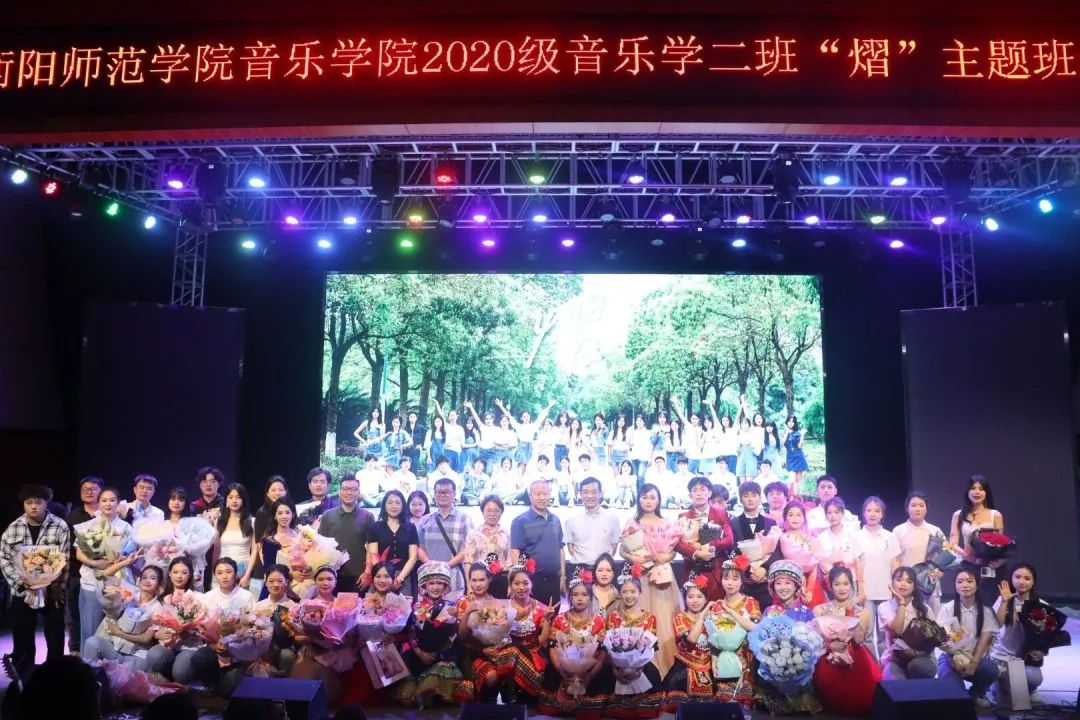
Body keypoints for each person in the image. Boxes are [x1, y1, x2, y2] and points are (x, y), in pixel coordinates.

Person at [0, 484, 71, 679]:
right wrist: (20, 582)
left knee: (55, 636)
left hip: (51, 591)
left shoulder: (59, 526)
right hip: (23, 591)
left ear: (46, 503)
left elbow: (64, 559)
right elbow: (4, 558)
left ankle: (54, 676)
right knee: (22, 636)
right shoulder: (13, 528)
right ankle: (23, 677)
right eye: (29, 502)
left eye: (38, 502)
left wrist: (57, 588)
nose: (33, 506)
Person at [617, 483, 682, 675]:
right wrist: (634, 558)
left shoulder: (667, 522)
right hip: (641, 577)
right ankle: (641, 666)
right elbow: (622, 550)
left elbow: (673, 551)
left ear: (659, 500)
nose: (648, 501)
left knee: (665, 618)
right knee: (640, 615)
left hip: (662, 578)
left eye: (653, 497)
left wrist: (665, 557)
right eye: (644, 497)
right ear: (638, 499)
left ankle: (667, 666)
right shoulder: (632, 522)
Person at [396, 561, 472, 708]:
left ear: (445, 586)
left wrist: (457, 619)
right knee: (407, 699)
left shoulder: (452, 607)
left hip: (444, 657)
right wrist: (420, 653)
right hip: (419, 657)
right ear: (424, 585)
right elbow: (411, 633)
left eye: (439, 583)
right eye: (431, 583)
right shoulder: (417, 607)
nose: (435, 587)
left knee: (441, 690)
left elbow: (455, 637)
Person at [538, 573, 611, 719]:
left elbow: (602, 653)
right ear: (569, 597)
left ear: (590, 598)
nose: (580, 598)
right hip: (563, 669)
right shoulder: (559, 619)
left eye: (584, 594)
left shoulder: (599, 621)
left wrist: (590, 675)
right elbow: (553, 649)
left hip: (590, 670)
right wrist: (563, 672)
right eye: (575, 594)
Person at [811, 565, 881, 716]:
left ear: (851, 585)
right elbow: (815, 640)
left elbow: (858, 639)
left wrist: (850, 612)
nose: (842, 588)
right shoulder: (819, 610)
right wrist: (830, 646)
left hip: (854, 656)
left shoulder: (863, 612)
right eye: (837, 584)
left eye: (846, 583)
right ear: (830, 587)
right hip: (828, 654)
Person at [74, 486, 133, 651]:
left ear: (118, 503)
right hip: (91, 582)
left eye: (112, 500)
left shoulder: (126, 527)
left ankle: (112, 664)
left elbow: (130, 554)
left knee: (116, 630)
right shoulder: (87, 526)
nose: (108, 504)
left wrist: (119, 561)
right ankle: (88, 664)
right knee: (90, 628)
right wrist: (96, 563)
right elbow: (79, 554)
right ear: (98, 503)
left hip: (117, 584)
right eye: (104, 500)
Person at [489, 563, 557, 704]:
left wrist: (546, 619)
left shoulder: (541, 608)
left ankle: (515, 694)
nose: (521, 587)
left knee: (515, 651)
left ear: (532, 584)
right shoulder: (502, 607)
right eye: (516, 583)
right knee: (511, 651)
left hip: (532, 656)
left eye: (525, 583)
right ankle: (511, 694)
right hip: (506, 657)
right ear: (510, 585)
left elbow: (543, 643)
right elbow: (493, 636)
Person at [758, 560, 820, 714]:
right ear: (772, 586)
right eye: (778, 583)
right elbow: (761, 639)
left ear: (796, 586)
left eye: (788, 583)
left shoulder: (806, 612)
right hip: (772, 669)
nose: (783, 587)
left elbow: (814, 644)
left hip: (799, 670)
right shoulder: (768, 611)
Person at [189, 557, 256, 696]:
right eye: (219, 573)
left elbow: (252, 625)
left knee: (227, 691)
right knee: (199, 658)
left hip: (239, 648)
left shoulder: (247, 596)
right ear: (215, 575)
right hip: (214, 645)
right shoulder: (208, 596)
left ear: (236, 574)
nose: (224, 576)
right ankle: (211, 683)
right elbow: (202, 626)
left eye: (228, 572)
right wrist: (214, 644)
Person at [81, 558, 163, 670]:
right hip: (113, 647)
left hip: (135, 654)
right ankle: (88, 678)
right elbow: (105, 575)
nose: (147, 581)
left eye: (153, 578)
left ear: (159, 584)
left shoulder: (157, 607)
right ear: (139, 580)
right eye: (144, 577)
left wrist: (119, 633)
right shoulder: (130, 591)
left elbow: (146, 638)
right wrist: (125, 563)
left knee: (126, 671)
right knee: (92, 643)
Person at [604, 569, 664, 720]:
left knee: (652, 676)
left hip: (642, 667)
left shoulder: (650, 619)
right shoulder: (612, 617)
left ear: (640, 592)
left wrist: (638, 670)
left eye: (633, 591)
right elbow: (608, 648)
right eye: (624, 592)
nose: (629, 595)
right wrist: (616, 671)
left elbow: (649, 649)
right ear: (620, 593)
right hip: (617, 667)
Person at [936, 568, 999, 709]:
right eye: (960, 582)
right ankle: (958, 695)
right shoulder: (948, 609)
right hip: (951, 658)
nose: (964, 585)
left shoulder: (986, 611)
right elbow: (943, 640)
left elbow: (984, 641)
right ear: (955, 585)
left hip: (975, 658)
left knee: (991, 669)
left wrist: (974, 663)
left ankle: (975, 694)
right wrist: (955, 661)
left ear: (977, 585)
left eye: (969, 581)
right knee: (952, 692)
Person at [991, 562, 1051, 705]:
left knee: (1033, 679)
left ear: (1033, 581)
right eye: (1017, 577)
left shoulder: (1042, 605)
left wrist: (1042, 651)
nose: (1021, 581)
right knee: (1004, 699)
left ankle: (1030, 688)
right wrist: (1004, 602)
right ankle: (1000, 685)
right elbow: (996, 625)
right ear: (1011, 578)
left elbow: (1047, 636)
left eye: (1027, 578)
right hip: (1002, 655)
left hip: (1025, 657)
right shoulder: (1003, 599)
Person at [708, 559, 761, 709]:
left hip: (746, 657)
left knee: (745, 705)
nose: (730, 583)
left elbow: (755, 628)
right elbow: (714, 638)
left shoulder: (751, 602)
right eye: (726, 578)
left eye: (735, 579)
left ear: (742, 581)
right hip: (724, 657)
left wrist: (731, 612)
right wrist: (713, 660)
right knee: (724, 705)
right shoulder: (716, 606)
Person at [673, 476, 735, 601]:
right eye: (695, 490)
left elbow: (729, 539)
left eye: (702, 489)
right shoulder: (683, 516)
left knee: (717, 605)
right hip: (692, 568)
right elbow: (677, 543)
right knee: (693, 605)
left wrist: (707, 547)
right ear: (690, 495)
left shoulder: (721, 514)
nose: (699, 493)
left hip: (715, 569)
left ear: (709, 493)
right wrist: (697, 553)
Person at [949, 474, 1007, 606]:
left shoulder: (995, 515)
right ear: (967, 491)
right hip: (968, 565)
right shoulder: (958, 515)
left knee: (989, 603)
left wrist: (998, 561)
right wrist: (969, 557)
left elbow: (1001, 544)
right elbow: (952, 543)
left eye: (981, 489)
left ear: (986, 492)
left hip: (990, 567)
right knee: (967, 603)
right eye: (973, 488)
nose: (977, 492)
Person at [661, 576, 715, 711]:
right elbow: (691, 639)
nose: (695, 601)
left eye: (699, 596)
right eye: (690, 597)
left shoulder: (713, 618)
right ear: (685, 599)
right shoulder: (680, 618)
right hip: (685, 665)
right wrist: (702, 616)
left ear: (706, 599)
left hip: (708, 664)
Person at [146, 557, 204, 682]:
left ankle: (183, 679)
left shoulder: (199, 598)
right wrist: (158, 634)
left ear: (190, 575)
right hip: (168, 645)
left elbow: (204, 627)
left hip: (190, 646)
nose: (179, 576)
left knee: (181, 672)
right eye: (175, 572)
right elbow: (154, 627)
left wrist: (191, 632)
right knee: (154, 656)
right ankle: (166, 675)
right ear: (169, 574)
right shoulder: (162, 599)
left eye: (184, 572)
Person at [857, 496, 899, 662]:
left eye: (877, 510)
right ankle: (872, 668)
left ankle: (885, 665)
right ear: (863, 513)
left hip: (886, 591)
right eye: (869, 510)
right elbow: (857, 564)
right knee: (867, 634)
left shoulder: (890, 536)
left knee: (884, 634)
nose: (872, 514)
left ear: (882, 514)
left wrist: (895, 588)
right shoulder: (857, 536)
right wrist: (860, 590)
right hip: (866, 592)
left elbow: (895, 563)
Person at [510, 480, 565, 605]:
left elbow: (561, 549)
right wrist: (520, 581)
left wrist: (563, 576)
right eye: (538, 494)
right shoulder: (520, 521)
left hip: (554, 580)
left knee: (554, 613)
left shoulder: (555, 520)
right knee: (533, 615)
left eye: (545, 494)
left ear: (550, 495)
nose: (542, 497)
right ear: (530, 497)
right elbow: (515, 551)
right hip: (532, 581)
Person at [890, 491, 946, 613]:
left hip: (930, 586)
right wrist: (897, 583)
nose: (917, 509)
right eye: (913, 505)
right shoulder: (899, 531)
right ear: (907, 508)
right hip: (906, 585)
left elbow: (945, 557)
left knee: (931, 621)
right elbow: (895, 560)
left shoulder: (935, 531)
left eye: (921, 505)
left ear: (926, 509)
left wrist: (939, 572)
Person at [317, 475, 375, 592]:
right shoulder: (328, 516)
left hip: (359, 576)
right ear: (339, 492)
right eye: (345, 489)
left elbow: (372, 547)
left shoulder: (367, 516)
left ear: (359, 492)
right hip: (332, 576)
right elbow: (320, 546)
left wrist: (368, 572)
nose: (349, 493)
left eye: (353, 489)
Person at [878, 566, 937, 680]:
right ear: (892, 583)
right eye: (899, 580)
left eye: (909, 581)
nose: (903, 584)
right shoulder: (884, 607)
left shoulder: (924, 608)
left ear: (914, 586)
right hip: (895, 659)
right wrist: (901, 602)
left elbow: (934, 638)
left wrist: (916, 653)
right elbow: (897, 630)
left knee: (916, 666)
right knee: (894, 682)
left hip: (922, 657)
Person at [65, 476, 102, 655]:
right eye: (85, 489)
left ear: (100, 492)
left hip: (104, 572)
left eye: (93, 489)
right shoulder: (72, 516)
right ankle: (75, 649)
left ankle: (98, 649)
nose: (88, 492)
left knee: (99, 614)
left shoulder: (106, 514)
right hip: (76, 572)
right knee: (75, 613)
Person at [729, 481, 781, 609]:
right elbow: (732, 550)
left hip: (765, 580)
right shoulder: (734, 523)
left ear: (760, 498)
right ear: (740, 499)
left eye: (754, 495)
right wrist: (749, 572)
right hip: (744, 581)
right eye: (746, 496)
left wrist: (764, 569)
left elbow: (777, 550)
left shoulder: (770, 522)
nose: (750, 499)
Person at [455, 564, 504, 702]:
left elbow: (502, 635)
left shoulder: (497, 604)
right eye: (474, 580)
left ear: (489, 579)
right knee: (488, 676)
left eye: (482, 580)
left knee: (497, 674)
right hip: (467, 653)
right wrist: (467, 612)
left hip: (490, 652)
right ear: (469, 581)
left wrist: (494, 648)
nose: (478, 584)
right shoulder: (463, 602)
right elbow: (461, 636)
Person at [418, 477, 473, 597]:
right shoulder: (425, 520)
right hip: (428, 581)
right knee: (426, 609)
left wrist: (446, 566)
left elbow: (468, 549)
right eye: (439, 492)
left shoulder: (464, 519)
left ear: (454, 494)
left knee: (453, 609)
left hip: (454, 581)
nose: (443, 495)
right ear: (434, 495)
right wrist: (432, 565)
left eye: (447, 492)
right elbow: (419, 548)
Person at [365, 490, 419, 598]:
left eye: (397, 503)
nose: (394, 506)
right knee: (377, 606)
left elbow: (413, 557)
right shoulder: (375, 527)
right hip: (380, 577)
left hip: (403, 576)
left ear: (403, 505)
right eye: (390, 502)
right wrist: (384, 577)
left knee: (404, 607)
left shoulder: (411, 528)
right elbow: (373, 555)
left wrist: (400, 578)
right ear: (384, 505)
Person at [565, 477, 621, 578]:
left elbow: (614, 545)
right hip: (579, 570)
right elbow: (570, 547)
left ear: (600, 493)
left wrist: (603, 565)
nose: (590, 496)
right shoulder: (571, 519)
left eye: (594, 492)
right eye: (585, 492)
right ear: (580, 494)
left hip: (603, 572)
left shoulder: (612, 518)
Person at [812, 497, 865, 602]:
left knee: (850, 611)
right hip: (830, 584)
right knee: (832, 611)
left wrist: (861, 589)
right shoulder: (821, 538)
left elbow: (858, 563)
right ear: (825, 515)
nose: (833, 516)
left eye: (836, 512)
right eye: (829, 513)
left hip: (850, 582)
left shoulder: (852, 535)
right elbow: (821, 566)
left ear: (842, 514)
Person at [462, 495, 512, 598]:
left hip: (501, 581)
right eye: (488, 510)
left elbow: (509, 562)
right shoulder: (474, 534)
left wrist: (510, 585)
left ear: (501, 512)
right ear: (482, 512)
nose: (492, 514)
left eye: (496, 511)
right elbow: (468, 562)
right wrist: (469, 586)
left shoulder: (506, 534)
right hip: (479, 582)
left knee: (501, 608)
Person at [255, 564, 299, 677]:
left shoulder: (293, 606)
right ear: (266, 582)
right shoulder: (258, 606)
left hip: (285, 647)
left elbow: (297, 633)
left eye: (280, 581)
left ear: (286, 582)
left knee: (287, 655)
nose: (275, 585)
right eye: (271, 581)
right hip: (262, 648)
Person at [778, 501, 825, 607]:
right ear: (785, 518)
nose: (795, 518)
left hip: (810, 583)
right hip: (788, 584)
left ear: (804, 518)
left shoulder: (811, 539)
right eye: (791, 515)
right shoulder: (781, 538)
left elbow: (814, 566)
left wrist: (810, 590)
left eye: (798, 515)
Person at [214, 483, 258, 594]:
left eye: (238, 497)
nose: (234, 500)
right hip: (222, 570)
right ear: (226, 500)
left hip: (243, 571)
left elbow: (254, 551)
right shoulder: (219, 522)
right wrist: (214, 573)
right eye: (231, 497)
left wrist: (247, 575)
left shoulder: (252, 522)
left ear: (243, 500)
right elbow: (216, 550)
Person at [251, 476, 289, 593]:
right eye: (273, 490)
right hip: (265, 563)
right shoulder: (262, 512)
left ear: (286, 492)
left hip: (284, 564)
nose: (277, 493)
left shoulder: (289, 511)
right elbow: (259, 544)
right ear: (267, 493)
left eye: (280, 490)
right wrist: (268, 570)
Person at [259, 498, 299, 600]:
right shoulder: (269, 542)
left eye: (287, 512)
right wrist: (291, 574)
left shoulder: (301, 536)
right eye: (280, 513)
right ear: (275, 516)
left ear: (293, 514)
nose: (284, 516)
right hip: (276, 588)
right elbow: (269, 569)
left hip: (299, 588)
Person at [783, 415, 809, 491]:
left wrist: (802, 435)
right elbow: (782, 443)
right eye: (789, 421)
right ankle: (788, 494)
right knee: (792, 479)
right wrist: (787, 432)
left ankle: (795, 496)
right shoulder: (784, 432)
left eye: (793, 421)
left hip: (799, 455)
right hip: (790, 456)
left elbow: (799, 446)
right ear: (787, 422)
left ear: (795, 423)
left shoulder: (798, 433)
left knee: (798, 480)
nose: (791, 423)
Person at [404, 411, 426, 476]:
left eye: (414, 417)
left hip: (416, 450)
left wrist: (422, 446)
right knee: (407, 466)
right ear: (408, 418)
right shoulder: (406, 428)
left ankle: (413, 479)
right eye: (410, 417)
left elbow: (425, 438)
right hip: (407, 451)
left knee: (414, 466)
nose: (412, 418)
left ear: (416, 418)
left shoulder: (421, 428)